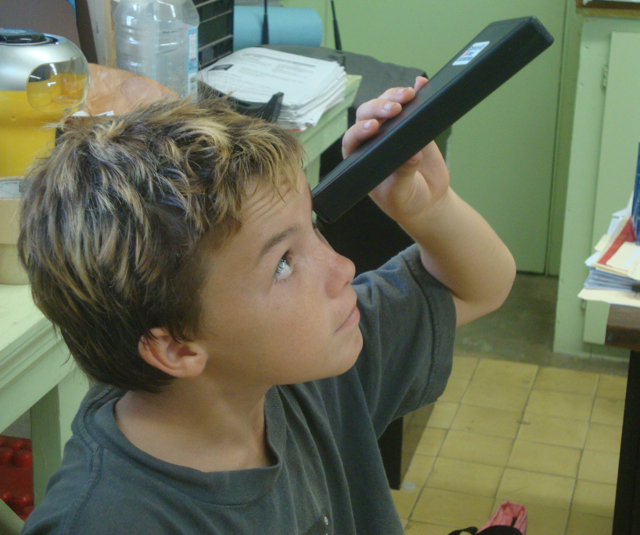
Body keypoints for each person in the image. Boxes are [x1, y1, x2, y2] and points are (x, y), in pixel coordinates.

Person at [18, 78, 515, 535]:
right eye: (282, 264)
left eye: (314, 229)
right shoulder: (108, 521)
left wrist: (427, 208)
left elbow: (477, 287)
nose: (342, 267)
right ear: (175, 347)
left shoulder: (303, 374)